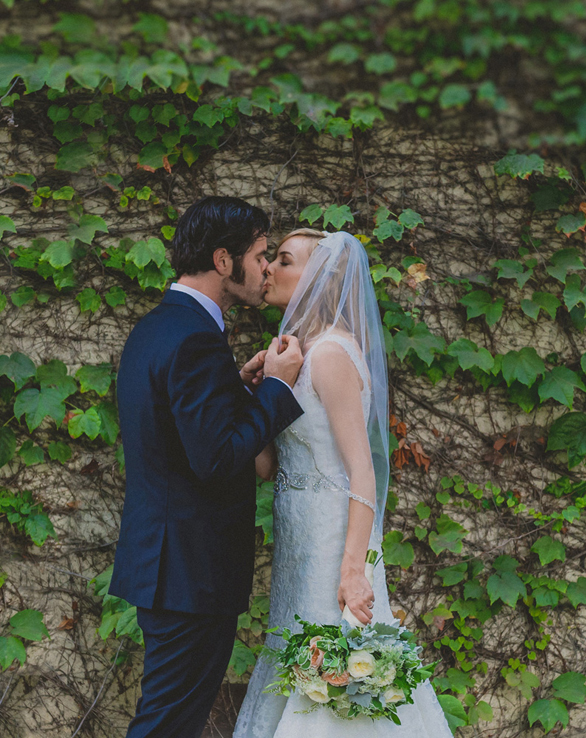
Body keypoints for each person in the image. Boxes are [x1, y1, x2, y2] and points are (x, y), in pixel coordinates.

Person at [233, 229, 453, 737]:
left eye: (284, 260)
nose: (268, 269)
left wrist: (354, 570)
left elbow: (363, 470)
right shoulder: (294, 355)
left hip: (335, 545)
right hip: (298, 545)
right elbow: (267, 467)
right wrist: (258, 395)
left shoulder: (330, 355)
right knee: (298, 663)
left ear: (321, 278)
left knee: (335, 678)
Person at [111, 196, 306, 738]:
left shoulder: (159, 326)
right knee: (167, 726)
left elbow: (183, 434)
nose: (267, 268)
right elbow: (217, 460)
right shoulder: (197, 338)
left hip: (168, 567)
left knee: (169, 720)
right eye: (262, 255)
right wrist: (276, 388)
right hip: (188, 574)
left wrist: (238, 393)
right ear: (224, 260)